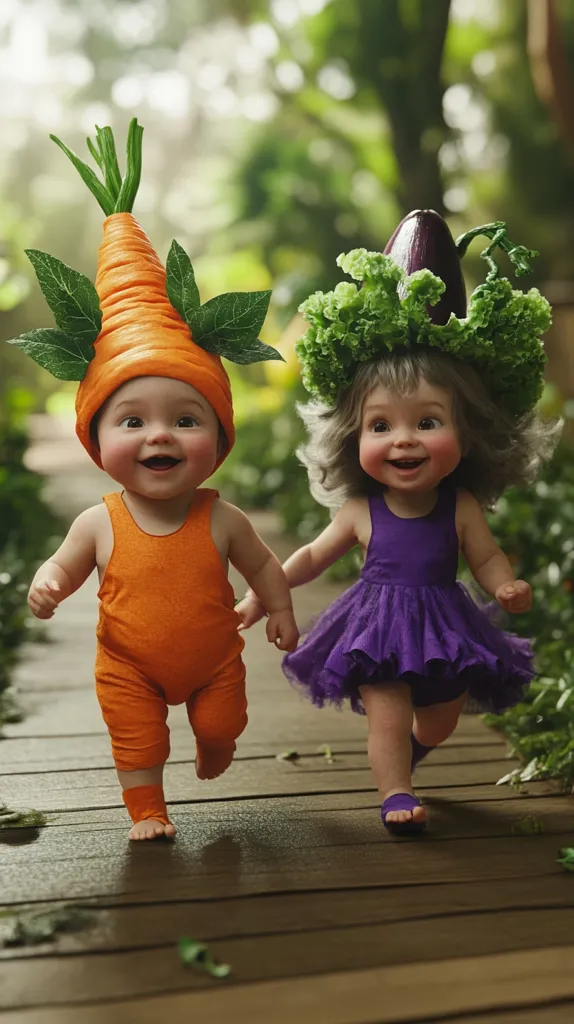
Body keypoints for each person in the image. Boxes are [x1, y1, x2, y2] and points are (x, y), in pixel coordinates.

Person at [11, 120, 298, 841]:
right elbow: (66, 564)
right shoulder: (100, 520)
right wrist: (47, 582)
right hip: (128, 663)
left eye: (185, 419)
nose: (159, 435)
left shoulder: (220, 516)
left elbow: (262, 566)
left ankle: (216, 741)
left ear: (219, 438)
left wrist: (279, 608)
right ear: (96, 441)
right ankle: (148, 808)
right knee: (136, 738)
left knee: (223, 715)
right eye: (131, 421)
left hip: (213, 662)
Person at [236, 210, 560, 836]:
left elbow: (486, 556)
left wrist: (503, 586)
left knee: (436, 720)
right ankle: (394, 790)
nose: (403, 440)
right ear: (351, 435)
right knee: (386, 711)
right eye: (381, 425)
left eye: (428, 422)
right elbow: (310, 556)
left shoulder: (458, 506)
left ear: (470, 434)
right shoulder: (363, 511)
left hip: (444, 625)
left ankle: (408, 757)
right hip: (377, 629)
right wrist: (263, 592)